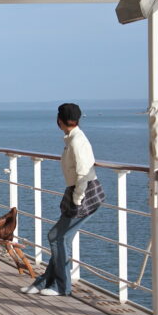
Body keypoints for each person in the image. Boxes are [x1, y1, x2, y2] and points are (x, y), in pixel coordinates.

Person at [21, 103, 105, 296]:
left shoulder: (77, 141)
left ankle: (61, 286)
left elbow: (83, 173)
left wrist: (77, 199)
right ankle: (46, 282)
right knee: (59, 238)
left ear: (59, 120)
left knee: (57, 237)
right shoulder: (73, 138)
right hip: (79, 191)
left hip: (84, 194)